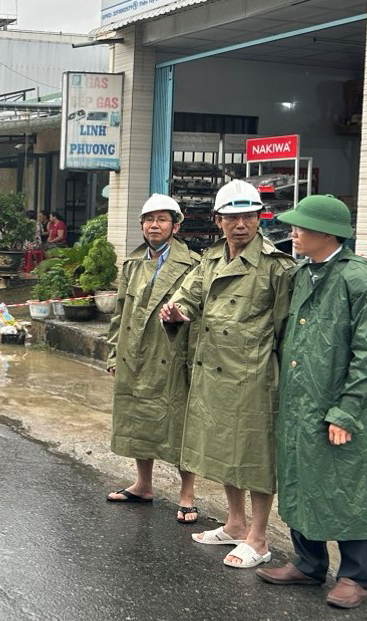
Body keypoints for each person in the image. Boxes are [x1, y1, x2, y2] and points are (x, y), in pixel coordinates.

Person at [256, 196, 367, 609]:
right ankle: (309, 563)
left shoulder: (360, 280)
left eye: (301, 226)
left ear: (328, 233)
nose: (293, 233)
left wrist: (348, 410)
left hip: (336, 404)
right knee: (301, 479)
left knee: (344, 486)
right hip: (300, 401)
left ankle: (354, 575)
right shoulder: (303, 272)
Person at [160, 179, 295, 569]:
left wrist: (285, 380)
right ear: (218, 220)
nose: (241, 224)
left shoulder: (276, 266)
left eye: (249, 216)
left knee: (254, 457)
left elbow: (287, 328)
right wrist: (177, 312)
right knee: (222, 450)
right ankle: (235, 525)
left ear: (259, 219)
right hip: (214, 371)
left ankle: (259, 537)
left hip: (254, 377)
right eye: (233, 217)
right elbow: (188, 296)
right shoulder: (212, 259)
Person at [105, 194, 201, 524]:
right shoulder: (132, 263)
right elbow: (121, 312)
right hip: (134, 352)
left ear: (176, 224)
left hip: (172, 354)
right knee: (136, 417)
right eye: (148, 219)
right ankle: (143, 484)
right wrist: (115, 351)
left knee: (179, 424)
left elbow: (199, 315)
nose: (154, 225)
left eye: (161, 219)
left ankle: (187, 494)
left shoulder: (193, 264)